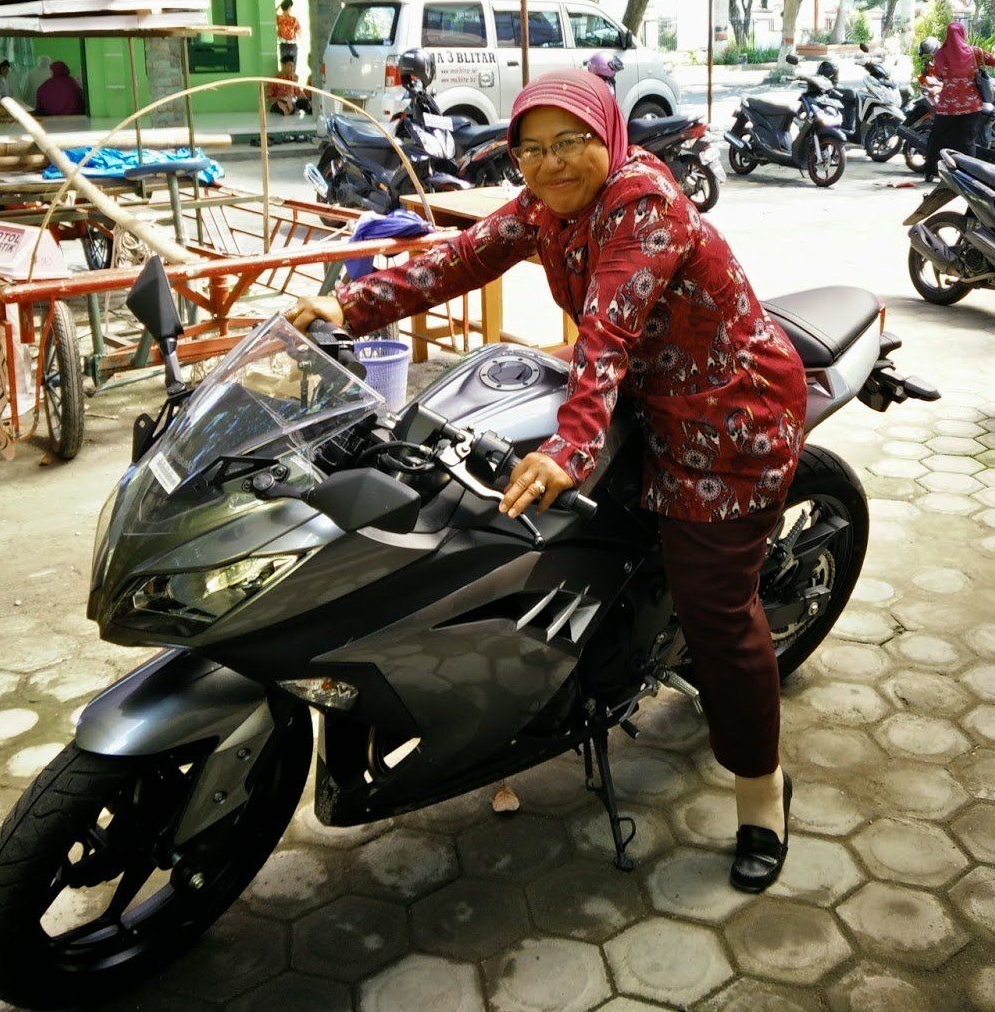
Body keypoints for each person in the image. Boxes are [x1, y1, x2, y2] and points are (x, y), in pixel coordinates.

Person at [288, 70, 808, 892]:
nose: (550, 163)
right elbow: (458, 258)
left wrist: (570, 449)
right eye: (531, 148)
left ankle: (761, 795)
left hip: (726, 418)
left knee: (718, 612)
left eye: (571, 142)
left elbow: (608, 331)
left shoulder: (642, 204)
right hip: (641, 394)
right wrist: (350, 308)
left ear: (610, 135)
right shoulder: (543, 206)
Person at [923, 21, 995, 181]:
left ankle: (931, 170)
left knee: (937, 138)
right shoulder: (975, 52)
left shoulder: (940, 55)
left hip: (947, 106)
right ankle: (968, 175)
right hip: (971, 106)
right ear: (963, 34)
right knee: (968, 141)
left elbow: (938, 76)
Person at [276, 0, 300, 67]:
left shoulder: (279, 18)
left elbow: (272, 12)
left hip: (283, 45)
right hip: (292, 45)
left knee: (284, 67)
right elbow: (298, 32)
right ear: (289, 8)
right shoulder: (294, 19)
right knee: (292, 67)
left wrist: (280, 5)